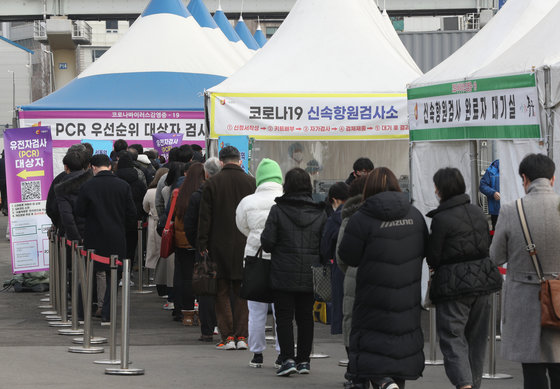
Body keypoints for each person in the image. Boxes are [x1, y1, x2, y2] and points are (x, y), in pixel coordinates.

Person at [338, 167, 427, 389]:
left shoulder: (362, 218)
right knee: (400, 349)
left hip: (372, 294)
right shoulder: (414, 215)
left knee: (373, 347)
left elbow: (348, 256)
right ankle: (391, 382)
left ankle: (384, 382)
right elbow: (426, 249)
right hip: (407, 296)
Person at [427, 168, 503, 389]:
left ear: (441, 189)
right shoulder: (478, 212)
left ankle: (464, 385)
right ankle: (473, 384)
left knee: (453, 338)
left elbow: (434, 256)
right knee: (477, 341)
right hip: (483, 281)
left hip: (453, 286)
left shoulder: (441, 219)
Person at [490, 154, 560, 389]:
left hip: (525, 300)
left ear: (524, 179)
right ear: (552, 178)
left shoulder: (512, 210)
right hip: (559, 299)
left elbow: (496, 257)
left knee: (532, 370)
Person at [261, 167, 326, 376]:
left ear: (286, 186)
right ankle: (304, 361)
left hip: (282, 272)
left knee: (284, 317)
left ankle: (287, 359)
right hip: (310, 272)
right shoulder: (320, 211)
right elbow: (325, 246)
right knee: (306, 318)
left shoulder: (278, 210)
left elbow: (268, 243)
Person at [198, 146, 256, 350]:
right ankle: (242, 337)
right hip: (245, 243)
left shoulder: (212, 183)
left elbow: (205, 218)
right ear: (239, 161)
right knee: (242, 293)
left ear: (221, 162)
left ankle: (227, 337)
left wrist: (202, 244)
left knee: (221, 291)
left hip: (217, 244)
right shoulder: (251, 182)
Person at [76, 154, 136, 322]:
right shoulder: (123, 186)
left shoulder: (87, 186)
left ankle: (81, 313)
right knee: (113, 276)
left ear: (93, 167)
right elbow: (131, 215)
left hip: (93, 237)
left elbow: (79, 211)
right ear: (110, 166)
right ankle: (107, 314)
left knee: (88, 274)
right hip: (116, 236)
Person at [236, 158, 283, 368]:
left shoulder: (247, 201)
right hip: (282, 259)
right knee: (282, 308)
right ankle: (284, 352)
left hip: (255, 257)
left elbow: (242, 226)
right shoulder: (285, 199)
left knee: (256, 310)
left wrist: (256, 236)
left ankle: (257, 354)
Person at [335, 176, 368, 388]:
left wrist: (352, 271)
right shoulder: (384, 214)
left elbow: (341, 256)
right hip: (380, 279)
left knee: (352, 328)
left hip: (353, 279)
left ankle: (357, 376)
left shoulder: (348, 216)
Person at [184, 157, 221, 342]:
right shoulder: (227, 192)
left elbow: (189, 225)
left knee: (206, 288)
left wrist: (198, 244)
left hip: (204, 247)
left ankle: (207, 330)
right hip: (226, 246)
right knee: (227, 286)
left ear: (206, 173)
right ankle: (227, 328)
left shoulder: (198, 195)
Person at [172, 162, 205, 322]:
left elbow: (171, 215)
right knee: (201, 277)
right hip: (200, 241)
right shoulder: (205, 193)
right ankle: (201, 311)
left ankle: (187, 314)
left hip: (182, 241)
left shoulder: (179, 193)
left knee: (185, 278)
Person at [320, 182, 349, 336]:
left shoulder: (334, 219)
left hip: (339, 268)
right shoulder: (361, 213)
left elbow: (325, 247)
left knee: (341, 307)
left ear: (335, 200)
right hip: (362, 269)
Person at [143, 168, 168, 271]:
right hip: (167, 222)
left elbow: (145, 207)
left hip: (153, 220)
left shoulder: (150, 191)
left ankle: (153, 271)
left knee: (154, 249)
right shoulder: (169, 189)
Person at [479, 159, 500, 230]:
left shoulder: (513, 168)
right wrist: (493, 193)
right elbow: (482, 186)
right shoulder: (491, 170)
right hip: (496, 211)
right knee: (496, 233)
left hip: (512, 210)